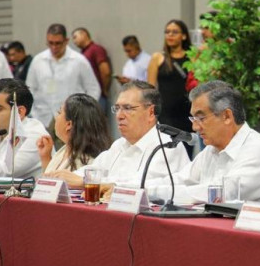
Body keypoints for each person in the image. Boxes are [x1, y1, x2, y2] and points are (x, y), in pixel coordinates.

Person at [149, 80, 260, 204]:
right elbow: (181, 179)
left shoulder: (256, 150)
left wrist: (157, 193)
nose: (195, 127)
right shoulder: (212, 150)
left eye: (201, 118)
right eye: (193, 119)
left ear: (227, 116)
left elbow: (221, 195)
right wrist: (139, 188)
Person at [45, 81, 190, 189]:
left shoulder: (167, 146)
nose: (119, 116)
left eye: (128, 108)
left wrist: (85, 183)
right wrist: (62, 177)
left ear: (151, 112)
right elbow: (94, 170)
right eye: (117, 108)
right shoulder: (119, 145)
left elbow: (143, 184)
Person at [26, 23, 101, 127]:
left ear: (66, 41)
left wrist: (83, 115)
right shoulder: (38, 61)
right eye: (50, 43)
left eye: (58, 43)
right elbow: (29, 89)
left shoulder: (79, 61)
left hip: (72, 121)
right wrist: (33, 114)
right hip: (42, 119)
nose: (54, 47)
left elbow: (93, 89)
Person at [36, 93, 111, 177]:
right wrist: (45, 157)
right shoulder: (65, 149)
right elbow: (50, 181)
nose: (56, 117)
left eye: (59, 112)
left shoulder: (85, 162)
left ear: (69, 124)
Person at [148, 19, 193, 153]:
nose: (170, 35)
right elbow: (150, 89)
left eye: (174, 32)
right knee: (166, 153)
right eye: (167, 32)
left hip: (186, 113)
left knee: (185, 154)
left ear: (184, 36)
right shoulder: (157, 58)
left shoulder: (193, 57)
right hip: (165, 114)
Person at [72, 27, 112, 112]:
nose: (74, 41)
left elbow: (105, 71)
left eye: (75, 37)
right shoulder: (82, 54)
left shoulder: (96, 49)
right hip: (86, 97)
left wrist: (104, 89)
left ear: (84, 34)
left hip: (97, 96)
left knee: (96, 123)